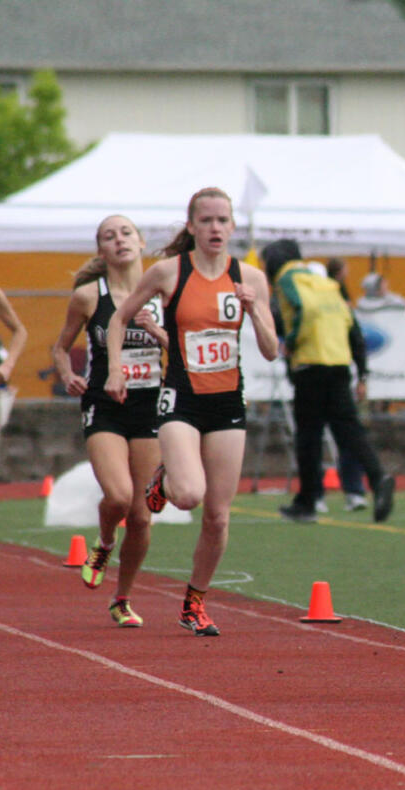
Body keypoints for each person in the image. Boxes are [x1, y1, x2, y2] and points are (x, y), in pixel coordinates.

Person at [105, 187, 279, 637]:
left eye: (223, 221)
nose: (215, 228)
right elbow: (119, 318)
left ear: (233, 227)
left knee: (218, 516)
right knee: (188, 496)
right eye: (206, 221)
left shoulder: (251, 278)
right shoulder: (168, 272)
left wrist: (254, 309)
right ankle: (163, 481)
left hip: (227, 403)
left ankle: (194, 602)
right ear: (192, 227)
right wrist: (115, 369)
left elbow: (272, 349)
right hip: (180, 399)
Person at [52, 215, 167, 627]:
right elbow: (61, 347)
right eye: (108, 236)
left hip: (150, 406)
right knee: (117, 497)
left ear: (140, 241)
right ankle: (103, 542)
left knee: (140, 514)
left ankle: (122, 599)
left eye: (125, 233)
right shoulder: (88, 296)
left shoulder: (164, 292)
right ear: (101, 251)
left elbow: (183, 347)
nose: (118, 240)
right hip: (104, 404)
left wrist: (161, 333)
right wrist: (68, 375)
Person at [263, 240, 394, 524]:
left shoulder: (286, 280)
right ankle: (378, 475)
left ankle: (308, 501)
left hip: (310, 364)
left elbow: (300, 311)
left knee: (308, 436)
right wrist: (361, 370)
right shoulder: (326, 283)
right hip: (337, 362)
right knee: (349, 429)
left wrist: (292, 341)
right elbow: (353, 328)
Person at [323, 257, 369, 511]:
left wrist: (361, 375)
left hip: (338, 378)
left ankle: (352, 490)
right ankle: (317, 493)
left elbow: (357, 340)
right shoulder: (334, 301)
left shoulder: (342, 303)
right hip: (327, 378)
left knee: (346, 435)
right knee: (319, 436)